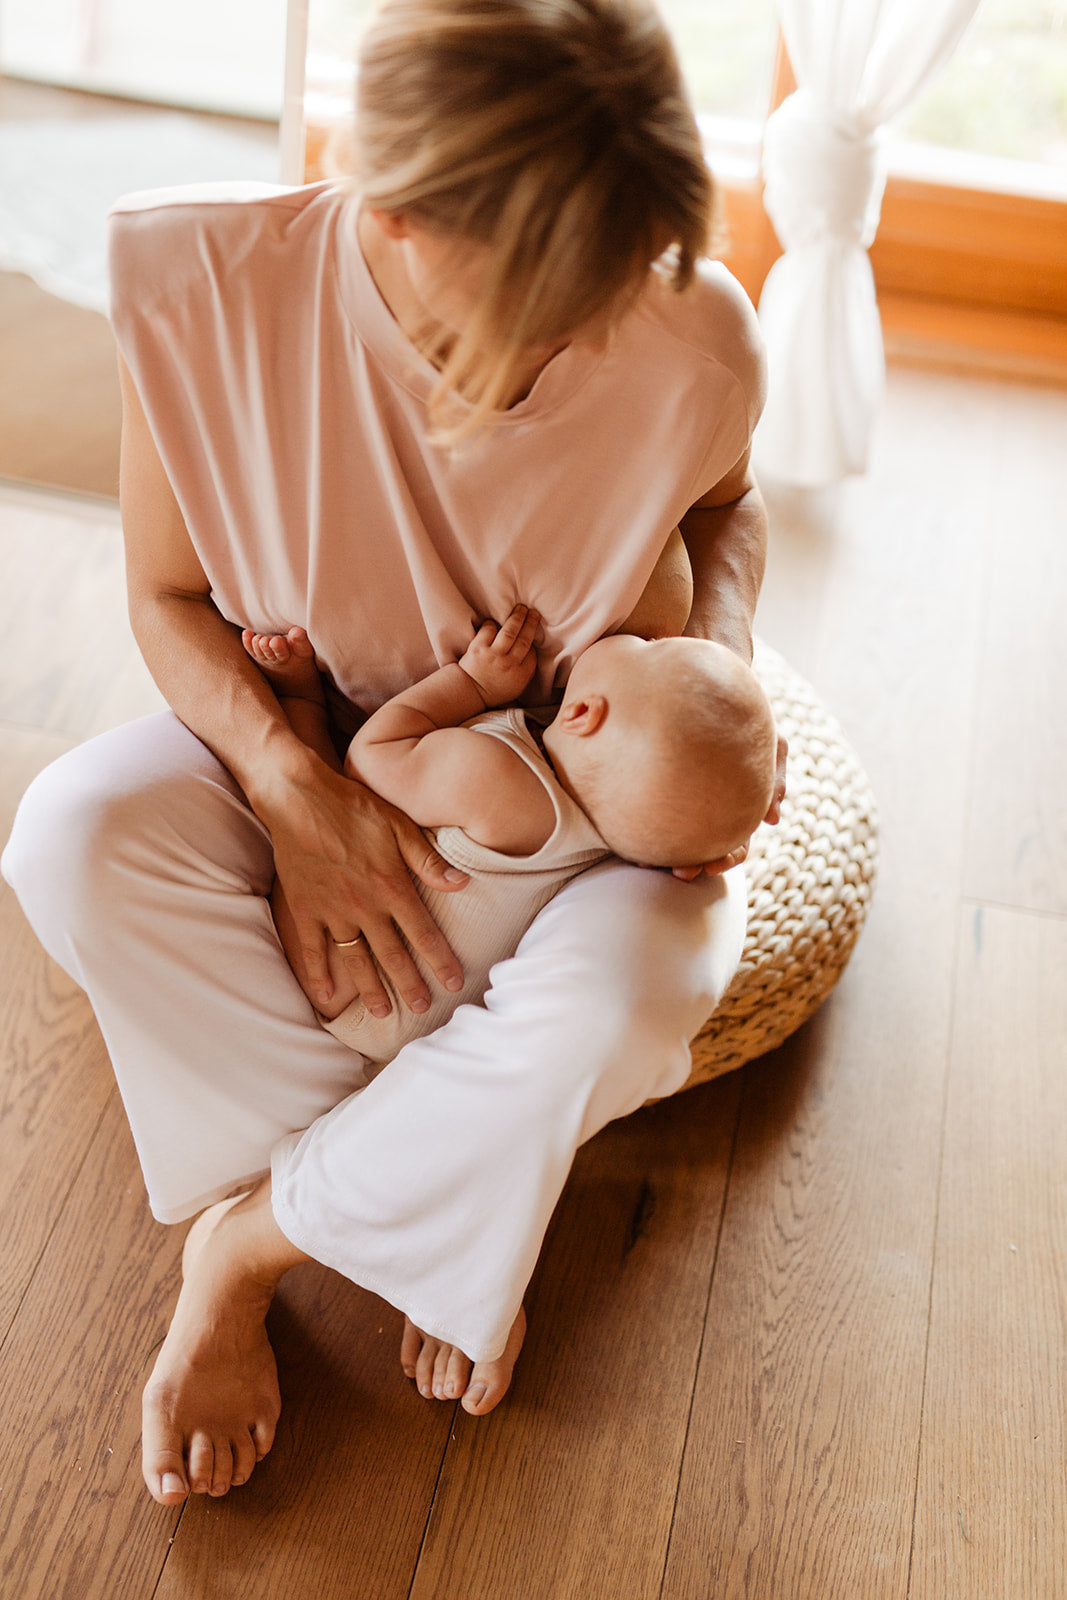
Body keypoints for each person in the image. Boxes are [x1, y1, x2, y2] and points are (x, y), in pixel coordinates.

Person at [0, 0, 787, 1508]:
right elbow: (166, 599)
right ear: (398, 212)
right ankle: (432, 1189)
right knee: (72, 836)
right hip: (323, 739)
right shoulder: (206, 284)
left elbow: (723, 510)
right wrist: (295, 794)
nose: (584, 343)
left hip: (581, 815)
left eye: (613, 289)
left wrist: (713, 671)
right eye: (542, 316)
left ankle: (246, 1246)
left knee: (634, 992)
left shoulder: (686, 329)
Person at [241, 600, 779, 1051]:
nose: (650, 636)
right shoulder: (621, 838)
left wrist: (471, 684)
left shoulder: (499, 782)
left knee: (334, 794)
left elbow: (371, 757)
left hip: (343, 980)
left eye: (651, 648)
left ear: (582, 713)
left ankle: (300, 702)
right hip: (416, 1026)